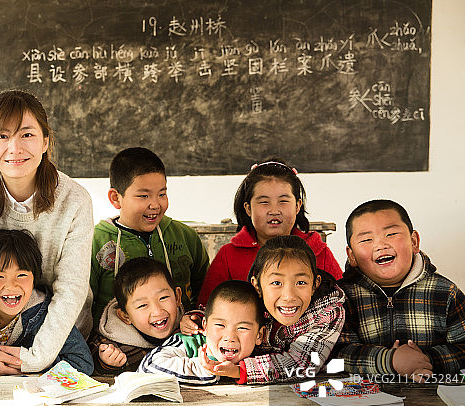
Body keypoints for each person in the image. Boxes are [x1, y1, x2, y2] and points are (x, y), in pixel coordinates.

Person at [0, 89, 94, 376]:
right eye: (2, 136)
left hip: (57, 337)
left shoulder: (75, 199)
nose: (15, 148)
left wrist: (38, 357)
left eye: (26, 134)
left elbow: (71, 289)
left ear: (45, 141)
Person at [332, 199, 465, 377]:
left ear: (414, 241)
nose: (381, 245)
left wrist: (426, 360)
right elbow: (333, 356)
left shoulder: (444, 292)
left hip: (432, 400)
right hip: (361, 400)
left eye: (391, 234)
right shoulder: (340, 298)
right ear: (351, 255)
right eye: (367, 239)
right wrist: (389, 360)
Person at [186, 159, 342, 335]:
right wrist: (195, 319)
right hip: (243, 350)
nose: (274, 210)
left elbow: (342, 301)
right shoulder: (229, 255)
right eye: (264, 202)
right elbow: (207, 307)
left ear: (298, 206)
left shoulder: (318, 251)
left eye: (283, 201)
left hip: (309, 347)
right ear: (248, 208)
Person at [90, 147, 208, 325]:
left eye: (162, 194)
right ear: (116, 198)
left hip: (180, 341)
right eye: (143, 196)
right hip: (116, 347)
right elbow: (84, 303)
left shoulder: (185, 236)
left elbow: (206, 289)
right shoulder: (96, 241)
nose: (155, 205)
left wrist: (196, 319)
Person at [211, 235, 345, 384]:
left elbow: (301, 363)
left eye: (301, 282)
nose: (288, 296)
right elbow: (221, 314)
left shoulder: (328, 312)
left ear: (314, 284)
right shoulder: (251, 302)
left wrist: (241, 371)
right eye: (276, 282)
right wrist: (195, 319)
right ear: (257, 286)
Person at [0, 229, 93, 375]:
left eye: (21, 275)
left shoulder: (47, 313)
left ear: (35, 278)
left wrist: (26, 364)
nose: (11, 285)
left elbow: (82, 362)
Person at [139, 280, 265, 384]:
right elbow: (149, 366)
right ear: (205, 326)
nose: (230, 337)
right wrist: (208, 369)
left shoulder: (262, 357)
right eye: (220, 325)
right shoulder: (189, 342)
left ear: (259, 335)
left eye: (242, 328)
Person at [89, 258, 183, 374]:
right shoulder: (111, 343)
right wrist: (106, 363)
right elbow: (89, 367)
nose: (157, 311)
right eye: (143, 305)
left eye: (163, 298)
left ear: (177, 297)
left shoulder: (188, 326)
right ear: (125, 316)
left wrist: (196, 318)